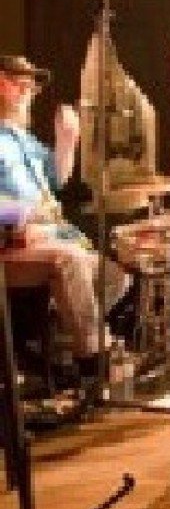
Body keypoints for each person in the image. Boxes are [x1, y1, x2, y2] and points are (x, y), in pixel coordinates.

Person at [0, 54, 128, 405]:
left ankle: (59, 347)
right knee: (69, 259)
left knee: (113, 275)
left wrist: (67, 140)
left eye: (30, 84)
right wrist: (19, 218)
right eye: (17, 82)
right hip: (11, 244)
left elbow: (57, 178)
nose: (28, 90)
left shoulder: (23, 139)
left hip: (44, 237)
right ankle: (93, 360)